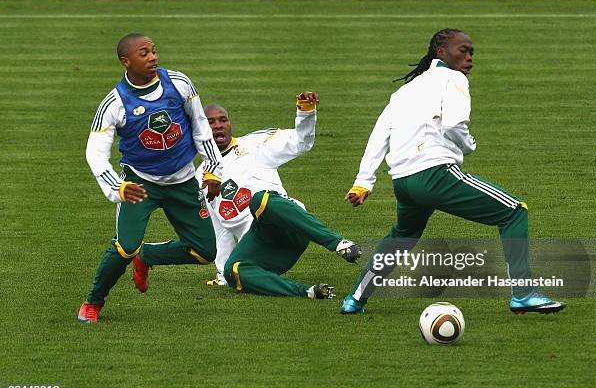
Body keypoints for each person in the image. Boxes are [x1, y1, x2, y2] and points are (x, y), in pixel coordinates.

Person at [341, 28, 566, 315]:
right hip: (434, 174)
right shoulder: (453, 79)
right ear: (441, 52)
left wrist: (364, 182)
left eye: (472, 53)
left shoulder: (404, 91)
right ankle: (523, 293)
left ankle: (355, 299)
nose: (469, 58)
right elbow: (454, 125)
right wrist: (469, 145)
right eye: (463, 50)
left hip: (403, 182)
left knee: (402, 236)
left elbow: (379, 135)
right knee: (514, 211)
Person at [135, 92, 362, 299]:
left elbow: (301, 143)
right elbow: (218, 230)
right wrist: (222, 273)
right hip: (265, 248)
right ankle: (308, 292)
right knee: (234, 271)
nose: (218, 126)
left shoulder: (255, 145)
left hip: (290, 226)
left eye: (223, 120)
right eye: (210, 122)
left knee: (260, 200)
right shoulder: (199, 179)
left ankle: (338, 244)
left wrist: (305, 112)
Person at [78, 33, 223, 323]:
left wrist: (212, 169)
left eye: (154, 51)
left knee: (205, 252)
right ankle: (92, 303)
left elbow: (199, 124)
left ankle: (150, 256)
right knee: (125, 246)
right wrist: (118, 188)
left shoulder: (179, 83)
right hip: (140, 184)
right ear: (126, 61)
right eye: (144, 54)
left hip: (183, 181)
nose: (153, 57)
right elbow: (95, 153)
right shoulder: (115, 103)